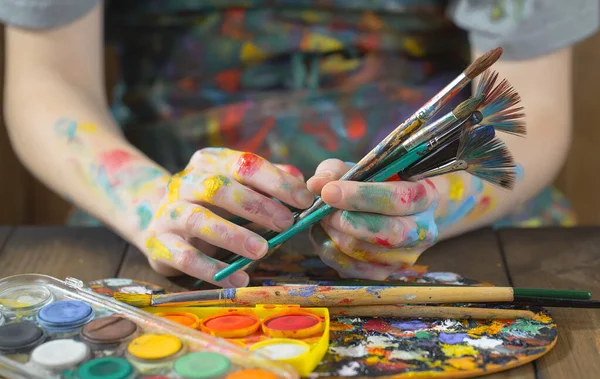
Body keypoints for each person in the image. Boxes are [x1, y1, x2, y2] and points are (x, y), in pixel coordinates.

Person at [2, 1, 597, 286]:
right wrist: (151, 205)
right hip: (159, 221)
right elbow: (46, 80)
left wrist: (433, 203)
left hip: (452, 229)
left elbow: (526, 112)